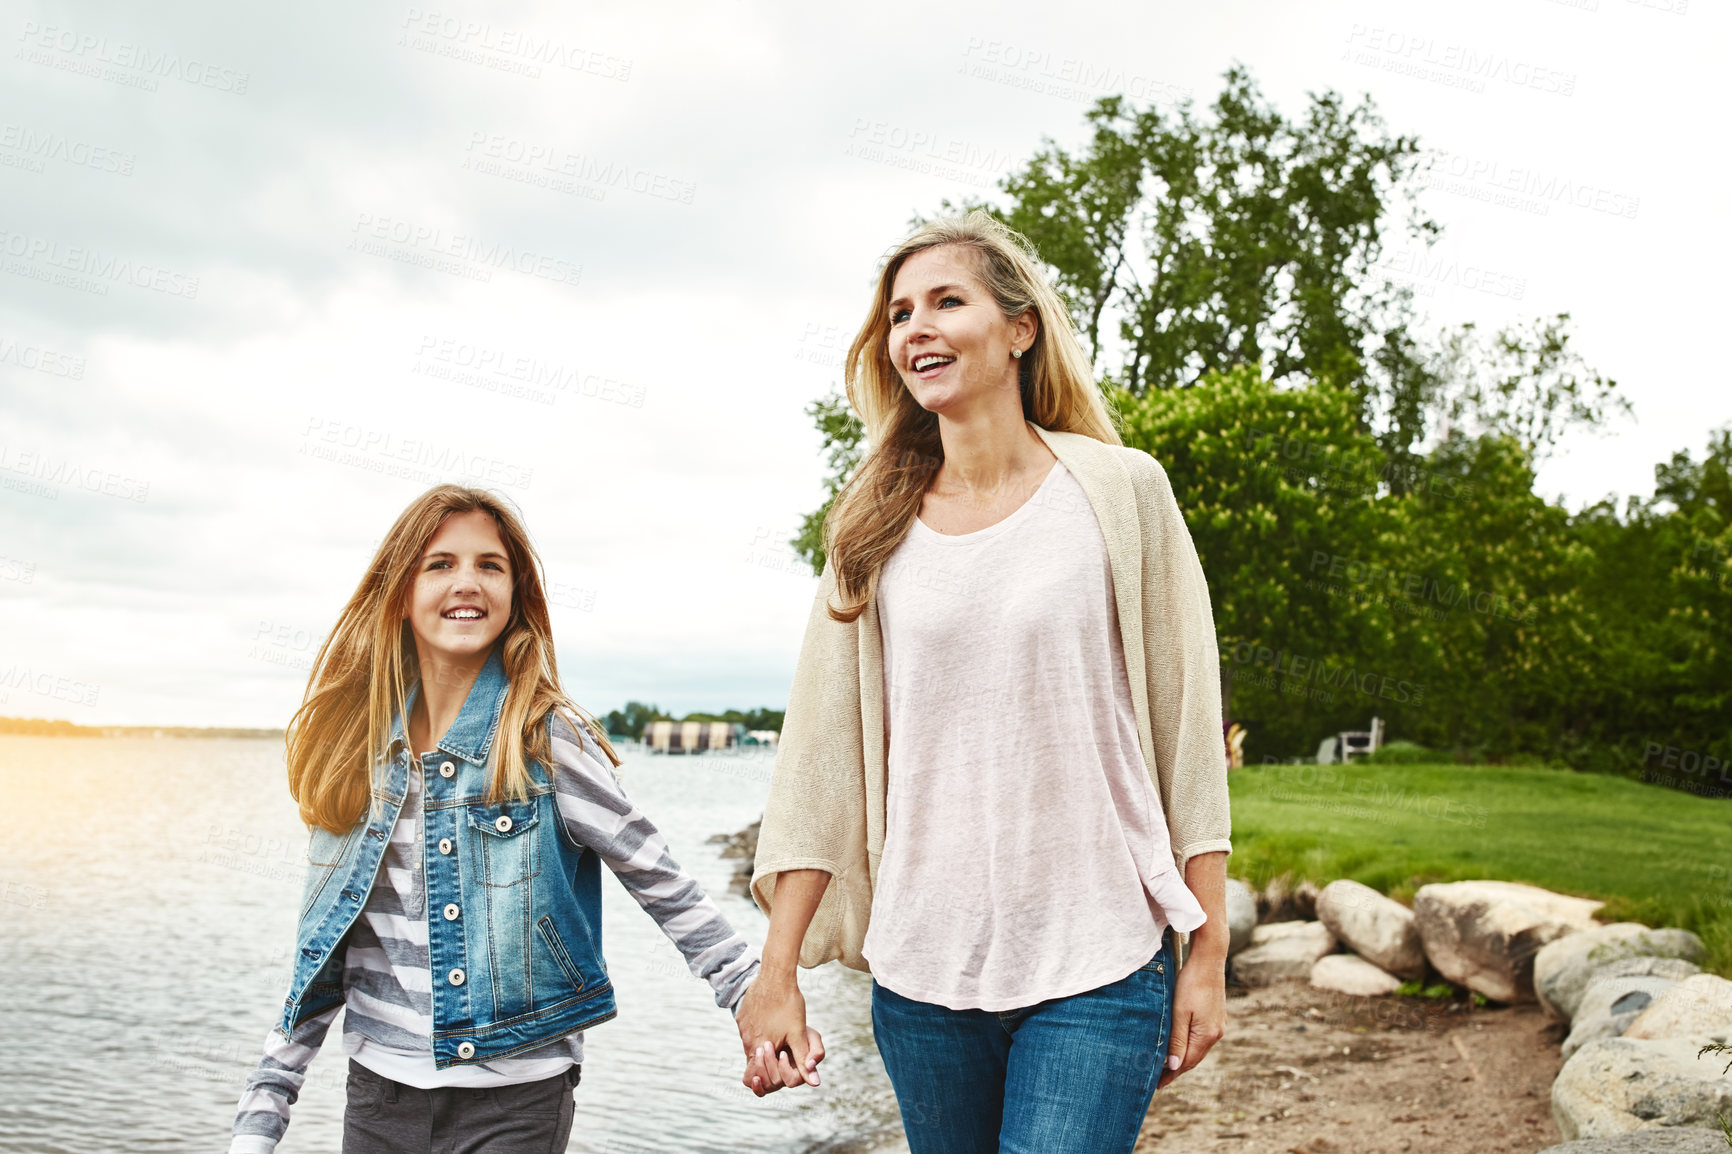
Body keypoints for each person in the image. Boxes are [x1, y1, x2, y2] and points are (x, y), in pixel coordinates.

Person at [735, 212, 1232, 1153]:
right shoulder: (870, 527)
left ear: (1019, 328)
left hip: (1101, 956)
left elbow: (1185, 725)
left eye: (945, 301)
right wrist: (779, 970)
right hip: (922, 972)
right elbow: (819, 762)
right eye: (898, 313)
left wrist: (1207, 952)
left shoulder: (1123, 492)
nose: (914, 327)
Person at [229, 486, 802, 1153]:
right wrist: (263, 1111)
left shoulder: (545, 739)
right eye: (439, 564)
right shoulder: (357, 754)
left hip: (517, 1101)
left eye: (489, 565)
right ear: (400, 592)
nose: (466, 581)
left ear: (516, 593)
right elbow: (322, 947)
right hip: (378, 1099)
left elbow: (664, 883)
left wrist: (752, 999)